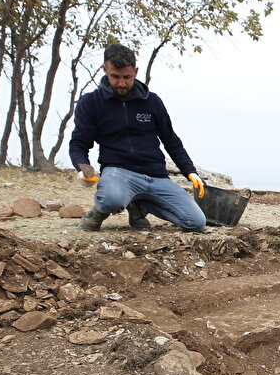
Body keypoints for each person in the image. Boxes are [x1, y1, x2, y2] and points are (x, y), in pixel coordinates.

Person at [69, 43, 207, 233]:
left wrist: (190, 172)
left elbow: (170, 139)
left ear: (135, 71)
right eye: (115, 77)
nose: (121, 83)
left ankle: (138, 205)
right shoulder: (91, 103)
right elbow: (79, 143)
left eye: (127, 77)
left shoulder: (152, 101)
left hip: (156, 176)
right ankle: (100, 210)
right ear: (105, 70)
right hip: (118, 172)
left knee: (196, 223)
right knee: (111, 200)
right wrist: (82, 168)